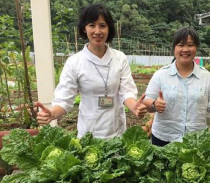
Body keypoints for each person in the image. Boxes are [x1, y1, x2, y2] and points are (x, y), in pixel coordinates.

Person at [36, 3, 147, 138]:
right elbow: (64, 99)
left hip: (117, 131)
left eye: (102, 25)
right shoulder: (75, 62)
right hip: (89, 134)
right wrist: (52, 113)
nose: (97, 31)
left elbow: (126, 91)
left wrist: (134, 106)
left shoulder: (119, 58)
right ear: (84, 28)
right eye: (92, 25)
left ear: (109, 29)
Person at [143, 27, 210, 146]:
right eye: (181, 45)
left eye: (190, 45)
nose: (185, 49)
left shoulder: (206, 76)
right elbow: (146, 100)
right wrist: (154, 104)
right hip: (164, 138)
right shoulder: (161, 75)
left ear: (196, 48)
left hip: (196, 140)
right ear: (174, 48)